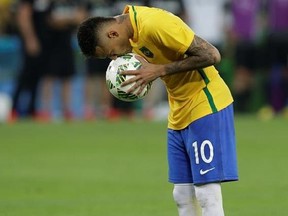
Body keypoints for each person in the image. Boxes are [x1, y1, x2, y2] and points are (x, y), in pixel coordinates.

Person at [77, 5, 238, 216]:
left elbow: (211, 55)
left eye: (111, 53)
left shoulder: (154, 24)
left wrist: (159, 70)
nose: (114, 58)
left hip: (205, 102)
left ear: (113, 33)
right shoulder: (131, 34)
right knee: (181, 195)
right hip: (179, 110)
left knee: (206, 194)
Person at [36, 0, 87, 122]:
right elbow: (51, 21)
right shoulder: (49, 3)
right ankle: (45, 110)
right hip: (50, 45)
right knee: (48, 78)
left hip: (66, 45)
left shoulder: (72, 3)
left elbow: (81, 18)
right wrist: (70, 20)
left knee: (67, 78)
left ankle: (67, 110)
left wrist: (63, 20)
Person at [10, 0, 51, 120]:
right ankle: (14, 109)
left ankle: (31, 109)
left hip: (45, 43)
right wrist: (30, 39)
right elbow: (23, 17)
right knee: (25, 75)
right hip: (33, 42)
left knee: (37, 76)